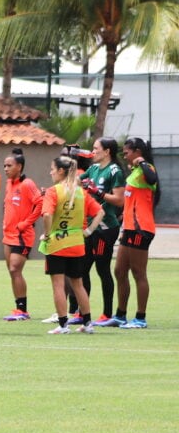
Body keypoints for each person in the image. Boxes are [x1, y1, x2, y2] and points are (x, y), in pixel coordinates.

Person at [40, 155, 105, 334]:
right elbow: (100, 212)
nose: (50, 172)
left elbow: (46, 215)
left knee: (58, 285)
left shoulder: (54, 191)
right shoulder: (81, 193)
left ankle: (63, 325)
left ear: (61, 171)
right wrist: (89, 231)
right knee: (78, 284)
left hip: (57, 244)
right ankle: (88, 324)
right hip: (77, 244)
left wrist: (46, 234)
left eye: (52, 169)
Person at [100, 137, 158, 329]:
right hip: (129, 227)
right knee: (119, 271)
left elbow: (152, 179)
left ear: (137, 151)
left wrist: (142, 162)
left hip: (141, 227)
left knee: (138, 273)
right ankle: (120, 316)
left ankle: (140, 318)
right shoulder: (133, 173)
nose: (124, 156)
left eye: (127, 152)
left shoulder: (145, 168)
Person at [81, 138, 126, 325]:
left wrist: (98, 193)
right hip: (90, 227)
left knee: (102, 269)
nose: (93, 151)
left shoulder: (114, 171)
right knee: (82, 269)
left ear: (107, 151)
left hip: (105, 227)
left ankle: (107, 314)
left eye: (95, 148)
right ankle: (82, 313)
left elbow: (119, 200)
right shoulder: (93, 169)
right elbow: (75, 181)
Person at [0, 148, 43, 322]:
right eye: (4, 165)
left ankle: (23, 311)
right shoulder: (9, 184)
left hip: (22, 235)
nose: (5, 168)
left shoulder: (28, 184)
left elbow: (40, 203)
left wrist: (27, 222)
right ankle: (18, 308)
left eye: (9, 165)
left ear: (19, 166)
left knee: (15, 269)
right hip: (8, 235)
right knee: (12, 272)